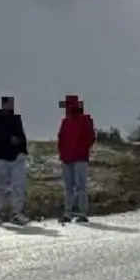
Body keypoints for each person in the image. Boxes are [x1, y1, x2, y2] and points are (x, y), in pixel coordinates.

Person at [0, 95, 29, 225]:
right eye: (8, 104)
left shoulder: (16, 119)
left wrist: (21, 146)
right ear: (3, 104)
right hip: (0, 158)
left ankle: (17, 213)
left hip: (16, 158)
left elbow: (22, 136)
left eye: (12, 104)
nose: (10, 106)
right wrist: (7, 139)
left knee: (18, 186)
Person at [57, 94, 95, 223]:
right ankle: (68, 213)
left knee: (81, 186)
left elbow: (90, 137)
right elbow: (61, 137)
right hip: (67, 158)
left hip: (80, 157)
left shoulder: (85, 119)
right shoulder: (65, 121)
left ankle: (82, 213)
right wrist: (62, 152)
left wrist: (81, 147)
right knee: (69, 186)